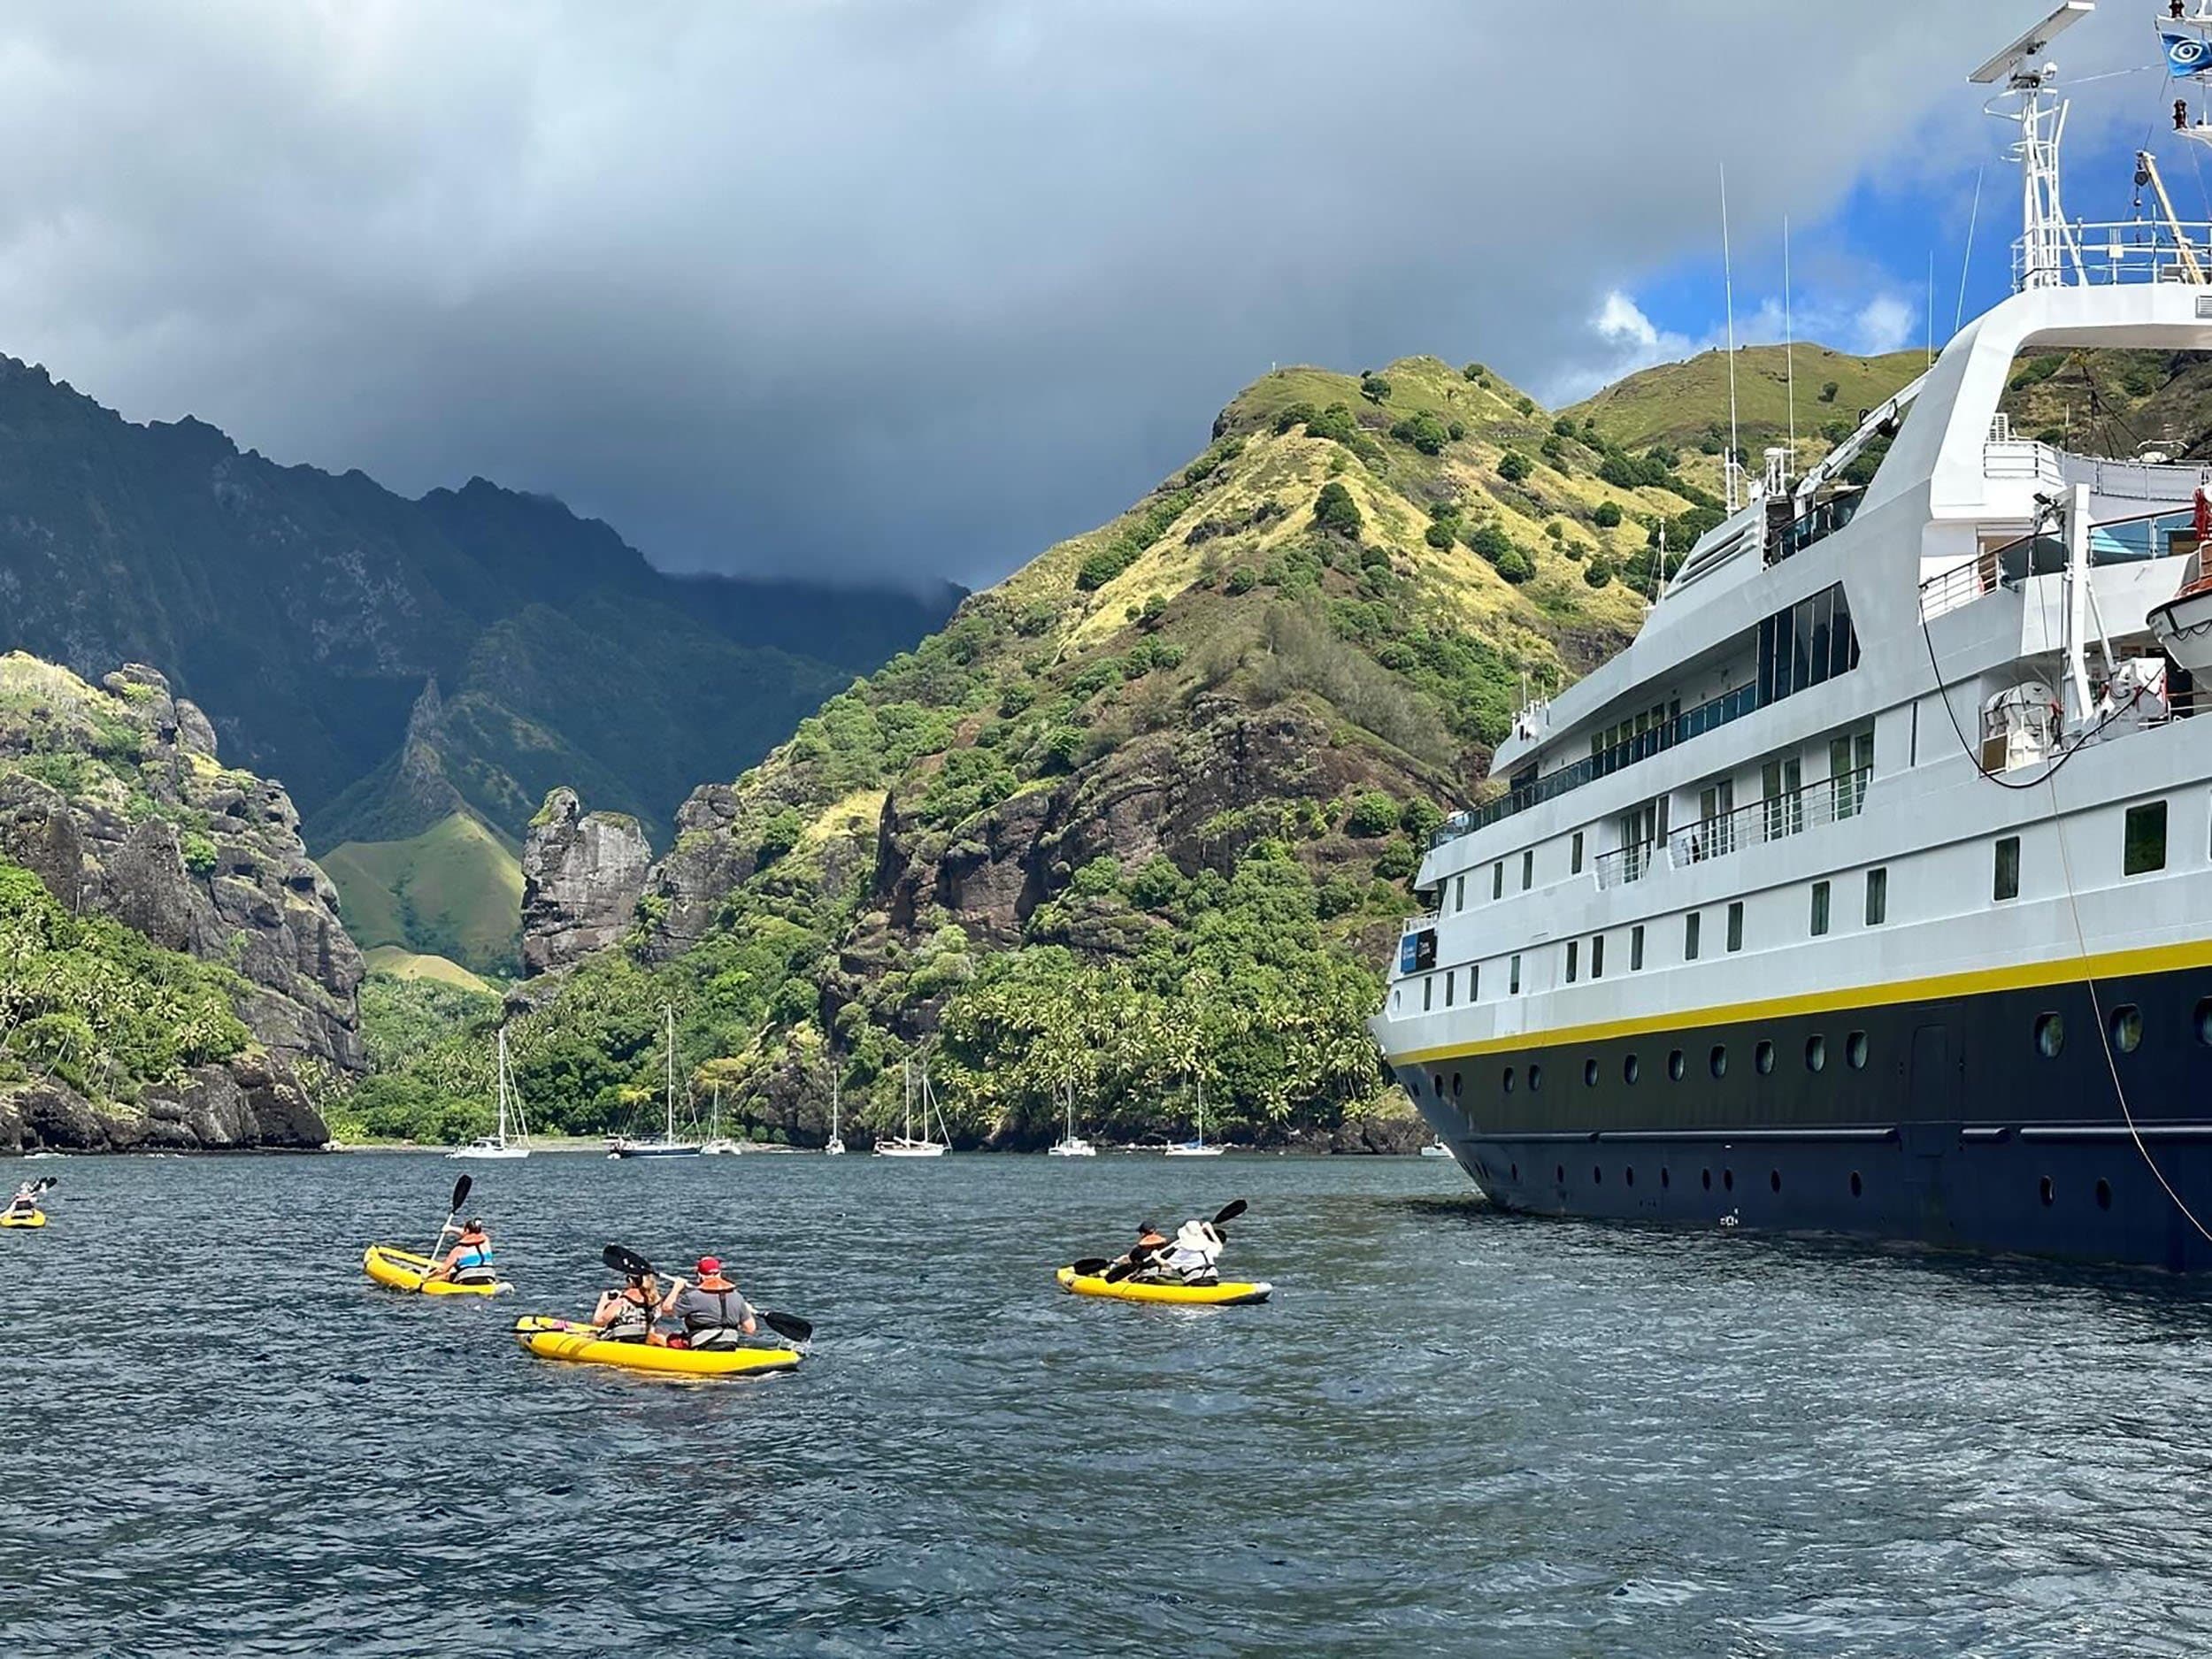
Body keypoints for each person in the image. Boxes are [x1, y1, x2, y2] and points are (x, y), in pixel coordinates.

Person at [658, 1256, 758, 1349]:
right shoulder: (737, 1296)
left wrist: (676, 1288)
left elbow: (666, 1310)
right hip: (730, 1343)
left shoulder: (693, 1297)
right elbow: (750, 1328)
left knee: (657, 1335)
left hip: (702, 1344)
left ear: (700, 1275)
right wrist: (742, 1310)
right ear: (719, 1273)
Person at [1145, 1217, 1225, 1286]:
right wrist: (1210, 1230)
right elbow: (1219, 1246)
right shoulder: (1208, 1245)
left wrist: (1157, 1257)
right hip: (1213, 1279)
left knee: (1160, 1278)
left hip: (1196, 1281)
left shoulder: (1184, 1250)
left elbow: (1168, 1265)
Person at [592, 1271, 664, 1344]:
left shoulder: (622, 1301)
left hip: (619, 1342)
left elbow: (598, 1322)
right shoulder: (656, 1301)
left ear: (631, 1281)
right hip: (643, 1340)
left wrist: (603, 1301)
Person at [426, 1218, 497, 1285]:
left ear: (467, 1230)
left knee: (445, 1276)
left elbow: (443, 1270)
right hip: (489, 1276)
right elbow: (471, 1233)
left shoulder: (459, 1249)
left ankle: (425, 1282)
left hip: (468, 1278)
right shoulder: (486, 1242)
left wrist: (428, 1275)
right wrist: (450, 1228)